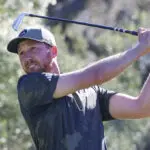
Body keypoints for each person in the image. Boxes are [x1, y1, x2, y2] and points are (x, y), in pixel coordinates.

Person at [7, 27, 150, 150]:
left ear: (53, 51)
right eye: (21, 53)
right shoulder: (28, 86)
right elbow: (96, 74)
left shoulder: (91, 92)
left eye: (33, 48)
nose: (27, 58)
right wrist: (140, 48)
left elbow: (142, 107)